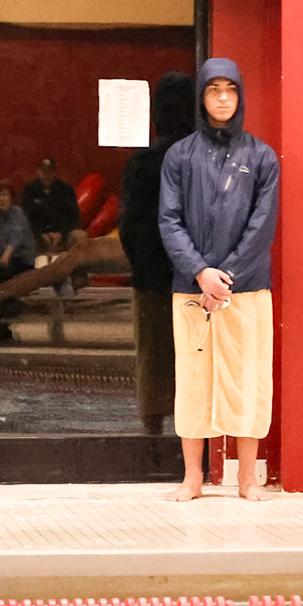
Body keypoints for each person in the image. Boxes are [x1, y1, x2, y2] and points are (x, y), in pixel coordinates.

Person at [159, 58, 279, 501]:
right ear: (202, 98)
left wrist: (224, 278)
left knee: (248, 379)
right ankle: (192, 477)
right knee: (193, 380)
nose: (223, 98)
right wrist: (200, 272)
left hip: (247, 288)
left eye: (230, 89)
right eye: (214, 90)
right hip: (191, 289)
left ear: (240, 96)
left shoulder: (262, 156)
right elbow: (169, 220)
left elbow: (263, 226)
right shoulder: (180, 156)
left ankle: (247, 477)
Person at [117, 71, 193, 436]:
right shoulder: (201, 159)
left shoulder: (142, 162)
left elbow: (128, 224)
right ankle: (194, 437)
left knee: (152, 356)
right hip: (194, 275)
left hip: (150, 273)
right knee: (194, 357)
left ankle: (152, 433)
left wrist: (141, 263)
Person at [22, 157, 83, 254]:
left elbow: (74, 217)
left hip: (63, 237)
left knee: (80, 236)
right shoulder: (29, 190)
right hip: (39, 238)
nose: (46, 175)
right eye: (43, 171)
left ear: (54, 172)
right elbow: (25, 218)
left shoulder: (66, 190)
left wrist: (61, 234)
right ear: (38, 172)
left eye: (49, 171)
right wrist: (40, 235)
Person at [0, 182, 35, 286]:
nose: (2, 199)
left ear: (11, 197)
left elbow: (17, 235)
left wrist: (6, 254)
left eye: (5, 195)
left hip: (21, 258)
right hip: (3, 255)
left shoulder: (17, 213)